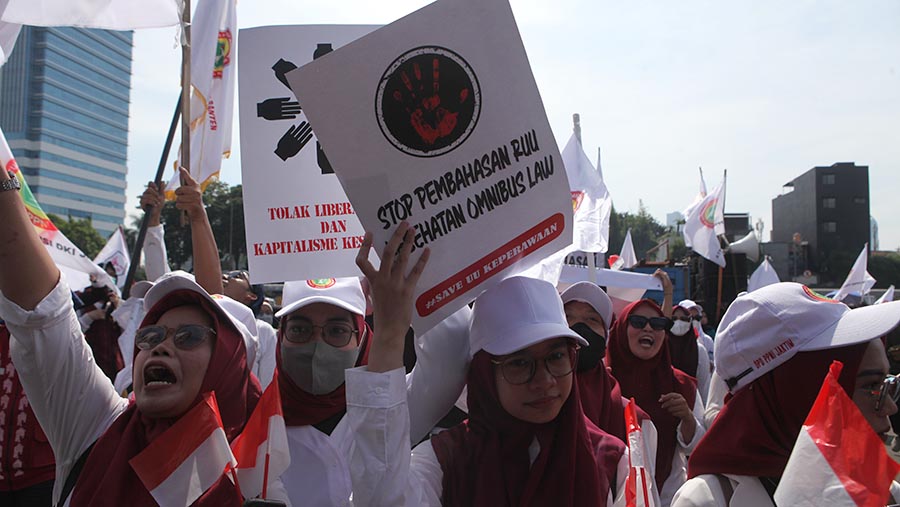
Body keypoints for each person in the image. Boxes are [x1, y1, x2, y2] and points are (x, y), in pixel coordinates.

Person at [0, 167, 267, 505]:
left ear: (228, 365)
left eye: (188, 336)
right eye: (152, 335)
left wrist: (198, 217)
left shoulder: (267, 468)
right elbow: (42, 316)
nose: (162, 347)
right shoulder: (98, 426)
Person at [347, 225, 630, 506]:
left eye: (556, 357)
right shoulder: (445, 461)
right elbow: (382, 498)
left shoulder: (613, 463)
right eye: (519, 363)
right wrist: (389, 336)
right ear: (484, 374)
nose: (544, 380)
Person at [672, 282, 900, 506]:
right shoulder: (706, 500)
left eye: (888, 384)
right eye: (871, 385)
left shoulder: (886, 493)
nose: (891, 407)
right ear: (796, 393)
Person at [274, 254, 469, 504]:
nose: (317, 346)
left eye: (337, 331)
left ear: (363, 338)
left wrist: (407, 284)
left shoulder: (392, 406)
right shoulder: (256, 413)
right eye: (300, 330)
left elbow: (451, 347)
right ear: (280, 336)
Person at [606, 298, 706, 506]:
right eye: (638, 322)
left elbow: (698, 447)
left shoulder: (681, 385)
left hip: (668, 495)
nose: (649, 329)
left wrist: (687, 417)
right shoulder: (602, 382)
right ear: (622, 328)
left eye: (658, 324)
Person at [668, 304, 711, 405]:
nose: (678, 322)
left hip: (693, 407)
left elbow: (704, 386)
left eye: (683, 319)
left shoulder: (699, 350)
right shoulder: (660, 348)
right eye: (673, 318)